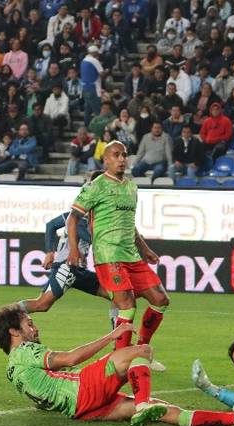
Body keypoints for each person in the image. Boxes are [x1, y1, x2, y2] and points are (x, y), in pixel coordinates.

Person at [0, 305, 234, 426]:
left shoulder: (11, 369)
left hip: (80, 411)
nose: (34, 326)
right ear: (15, 333)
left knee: (163, 409)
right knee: (141, 350)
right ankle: (142, 404)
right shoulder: (27, 350)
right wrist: (111, 336)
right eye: (29, 323)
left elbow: (42, 397)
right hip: (82, 390)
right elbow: (70, 359)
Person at [68, 141, 170, 353]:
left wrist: (145, 249)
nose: (122, 159)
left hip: (132, 256)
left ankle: (141, 347)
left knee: (160, 299)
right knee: (127, 305)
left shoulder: (131, 188)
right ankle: (121, 357)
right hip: (109, 255)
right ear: (106, 160)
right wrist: (73, 249)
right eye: (116, 155)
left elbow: (129, 225)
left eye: (124, 155)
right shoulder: (96, 186)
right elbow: (72, 218)